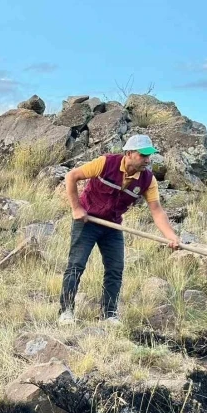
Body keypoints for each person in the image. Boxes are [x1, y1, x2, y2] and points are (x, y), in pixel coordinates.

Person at [58, 134, 180, 325]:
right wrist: (76, 208)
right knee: (76, 265)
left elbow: (157, 212)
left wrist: (171, 236)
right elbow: (71, 176)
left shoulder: (148, 180)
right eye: (143, 155)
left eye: (149, 156)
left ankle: (109, 314)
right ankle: (65, 312)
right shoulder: (105, 163)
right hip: (87, 221)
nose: (147, 160)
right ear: (129, 153)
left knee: (115, 269)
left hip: (112, 226)